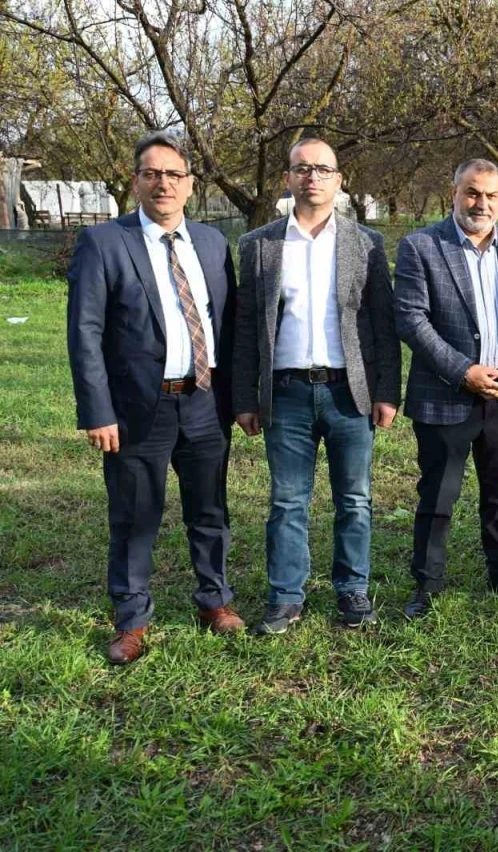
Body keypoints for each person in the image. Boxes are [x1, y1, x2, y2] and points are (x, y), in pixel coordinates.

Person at [67, 131, 242, 664]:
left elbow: (228, 325)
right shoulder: (105, 242)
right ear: (136, 182)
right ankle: (132, 620)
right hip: (137, 409)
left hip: (205, 403)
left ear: (190, 184)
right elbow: (85, 333)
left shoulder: (211, 243)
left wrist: (238, 400)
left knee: (210, 510)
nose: (163, 183)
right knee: (134, 517)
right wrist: (98, 411)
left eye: (173, 174)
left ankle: (214, 600)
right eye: (151, 174)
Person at [232, 138, 402, 634]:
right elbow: (246, 327)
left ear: (338, 180)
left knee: (355, 499)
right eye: (302, 168)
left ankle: (352, 590)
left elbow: (383, 323)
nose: (312, 177)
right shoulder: (259, 245)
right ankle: (286, 596)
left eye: (323, 169)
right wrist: (244, 397)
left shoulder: (365, 243)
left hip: (350, 392)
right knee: (287, 500)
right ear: (288, 177)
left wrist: (387, 392)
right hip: (285, 393)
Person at [394, 158, 498, 617]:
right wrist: (464, 371)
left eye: (491, 195)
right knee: (438, 495)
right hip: (446, 395)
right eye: (473, 193)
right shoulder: (421, 246)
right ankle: (427, 585)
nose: (482, 203)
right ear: (455, 193)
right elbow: (411, 319)